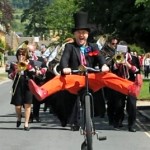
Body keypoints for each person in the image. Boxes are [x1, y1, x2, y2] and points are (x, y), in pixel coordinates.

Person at [28, 12, 143, 128]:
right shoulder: (70, 47)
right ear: (75, 34)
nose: (81, 35)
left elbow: (100, 57)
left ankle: (131, 88)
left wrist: (103, 66)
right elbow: (64, 60)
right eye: (78, 32)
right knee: (60, 78)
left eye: (84, 32)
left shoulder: (93, 47)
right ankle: (42, 91)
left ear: (87, 34)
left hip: (91, 79)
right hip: (74, 80)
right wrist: (65, 68)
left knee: (107, 76)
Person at [8, 48, 37, 131]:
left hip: (28, 86)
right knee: (18, 106)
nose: (21, 56)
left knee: (28, 105)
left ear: (26, 55)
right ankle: (19, 117)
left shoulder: (30, 62)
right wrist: (15, 71)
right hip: (17, 86)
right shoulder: (13, 64)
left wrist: (27, 66)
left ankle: (26, 124)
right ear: (17, 55)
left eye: (23, 54)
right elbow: (10, 76)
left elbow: (34, 72)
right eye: (19, 54)